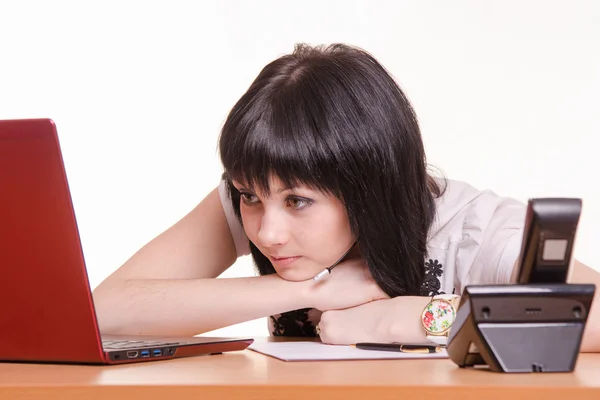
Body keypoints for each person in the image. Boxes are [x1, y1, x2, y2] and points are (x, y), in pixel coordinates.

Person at [92, 43, 600, 351]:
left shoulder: (476, 230)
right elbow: (104, 312)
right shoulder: (258, 190)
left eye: (298, 202)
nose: (267, 232)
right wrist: (305, 293)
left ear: (367, 187)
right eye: (250, 197)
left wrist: (421, 316)